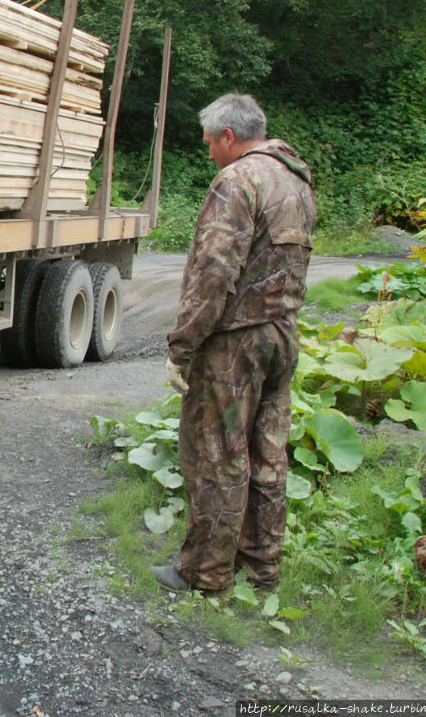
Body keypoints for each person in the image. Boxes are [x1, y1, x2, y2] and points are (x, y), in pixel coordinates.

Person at [153, 92, 316, 596]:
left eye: (209, 143)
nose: (208, 153)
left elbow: (212, 275)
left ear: (228, 136)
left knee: (217, 454)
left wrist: (182, 347)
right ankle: (261, 567)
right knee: (269, 454)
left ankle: (205, 573)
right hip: (282, 335)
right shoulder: (296, 179)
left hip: (235, 345)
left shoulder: (237, 180)